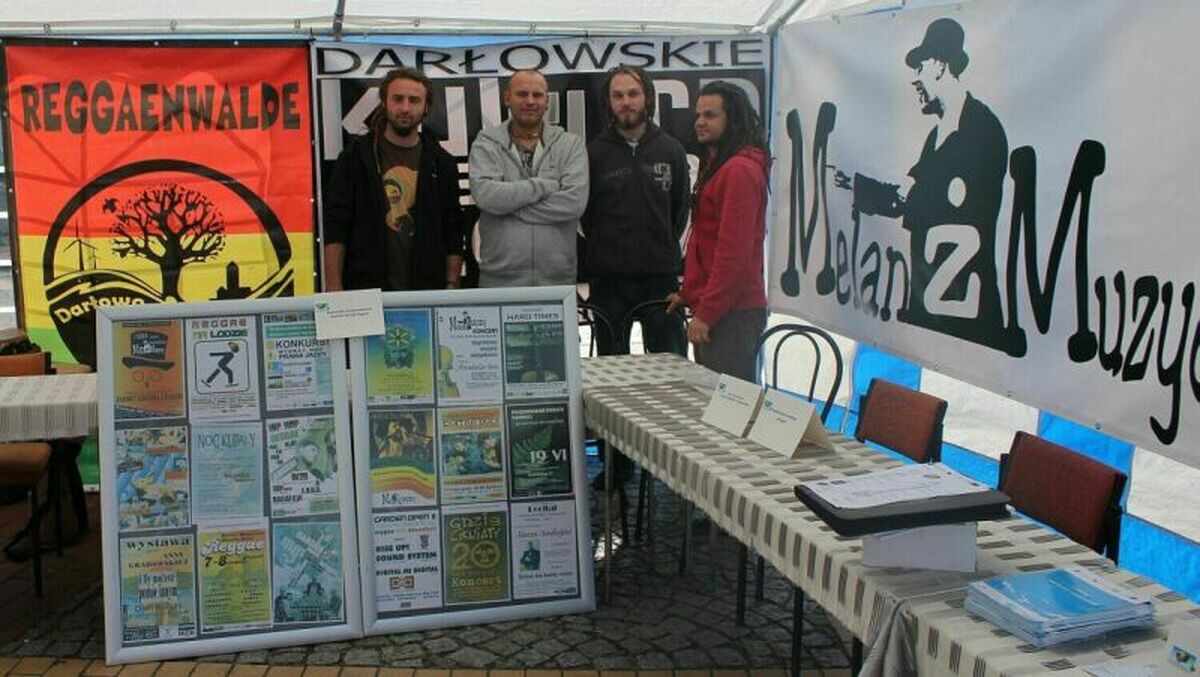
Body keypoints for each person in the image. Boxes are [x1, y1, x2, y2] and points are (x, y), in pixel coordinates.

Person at [323, 67, 467, 292]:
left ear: (426, 107)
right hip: (365, 290)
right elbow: (336, 224)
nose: (405, 108)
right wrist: (334, 286)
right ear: (384, 102)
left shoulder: (442, 162)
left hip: (428, 290)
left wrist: (452, 284)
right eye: (398, 99)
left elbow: (453, 230)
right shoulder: (355, 157)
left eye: (414, 100)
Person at [583, 66, 689, 356]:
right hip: (608, 282)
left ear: (647, 97)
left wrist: (658, 245)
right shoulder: (594, 153)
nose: (626, 102)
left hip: (660, 279)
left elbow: (679, 212)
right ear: (608, 102)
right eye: (618, 95)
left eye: (633, 94)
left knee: (671, 366)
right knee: (611, 367)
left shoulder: (672, 150)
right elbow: (586, 216)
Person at [667, 82, 769, 382]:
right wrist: (690, 293)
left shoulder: (738, 171)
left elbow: (733, 255)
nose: (700, 122)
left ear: (732, 119)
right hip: (722, 311)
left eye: (710, 115)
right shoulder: (722, 166)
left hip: (732, 316)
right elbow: (707, 241)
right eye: (698, 115)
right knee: (714, 402)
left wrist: (706, 314)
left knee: (728, 407)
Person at [468, 69, 588, 287]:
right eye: (522, 94)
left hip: (558, 282)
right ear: (507, 98)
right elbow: (486, 196)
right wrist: (543, 186)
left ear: (547, 101)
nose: (530, 101)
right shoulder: (486, 143)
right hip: (499, 280)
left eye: (537, 95)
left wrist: (509, 205)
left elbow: (574, 204)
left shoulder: (570, 145)